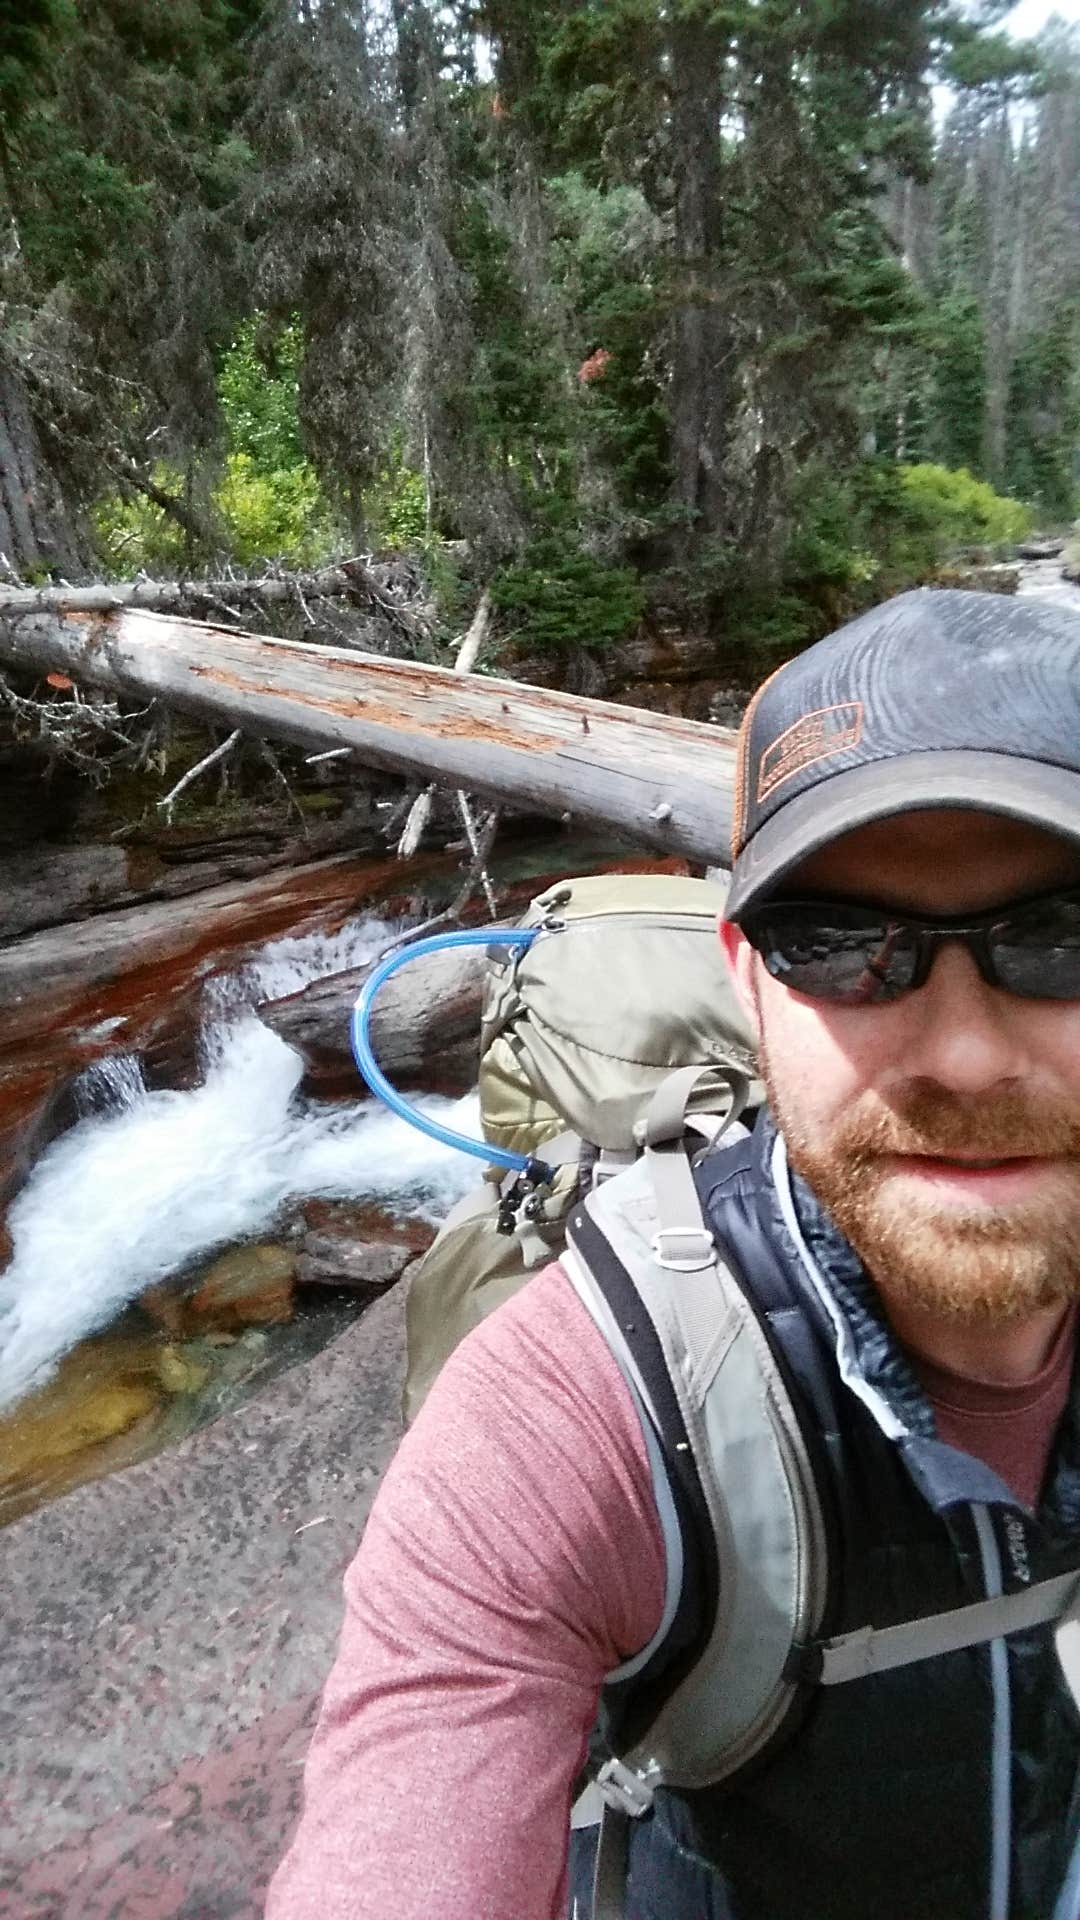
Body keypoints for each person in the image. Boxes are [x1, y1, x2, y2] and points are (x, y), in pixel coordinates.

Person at [265, 588, 1080, 1920]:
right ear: (748, 981)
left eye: (1059, 935)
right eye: (843, 947)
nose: (966, 1051)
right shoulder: (581, 1415)